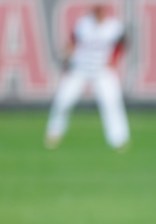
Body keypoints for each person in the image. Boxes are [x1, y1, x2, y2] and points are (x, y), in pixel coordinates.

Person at [44, 4, 130, 151]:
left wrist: (114, 61)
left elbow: (122, 43)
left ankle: (119, 140)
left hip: (102, 70)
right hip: (80, 69)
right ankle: (54, 134)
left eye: (101, 10)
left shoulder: (113, 27)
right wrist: (67, 57)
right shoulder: (83, 24)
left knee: (111, 103)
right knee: (63, 101)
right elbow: (72, 43)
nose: (99, 13)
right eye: (96, 10)